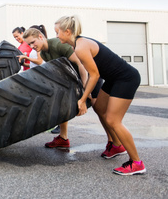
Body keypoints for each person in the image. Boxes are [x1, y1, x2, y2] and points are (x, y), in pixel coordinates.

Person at [54, 15, 146, 176]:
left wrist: (82, 99)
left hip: (126, 78)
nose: (56, 36)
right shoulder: (79, 44)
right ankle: (116, 145)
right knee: (99, 107)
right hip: (113, 79)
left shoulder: (81, 47)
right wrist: (86, 95)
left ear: (67, 31)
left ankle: (136, 163)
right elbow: (95, 74)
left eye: (57, 32)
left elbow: (94, 75)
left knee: (113, 119)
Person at [22, 27, 89, 149]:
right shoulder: (43, 53)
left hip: (90, 77)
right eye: (29, 44)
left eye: (33, 42)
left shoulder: (58, 45)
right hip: (73, 79)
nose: (32, 46)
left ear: (41, 37)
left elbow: (81, 64)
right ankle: (63, 138)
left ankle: (114, 143)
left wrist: (84, 93)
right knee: (61, 105)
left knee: (105, 115)